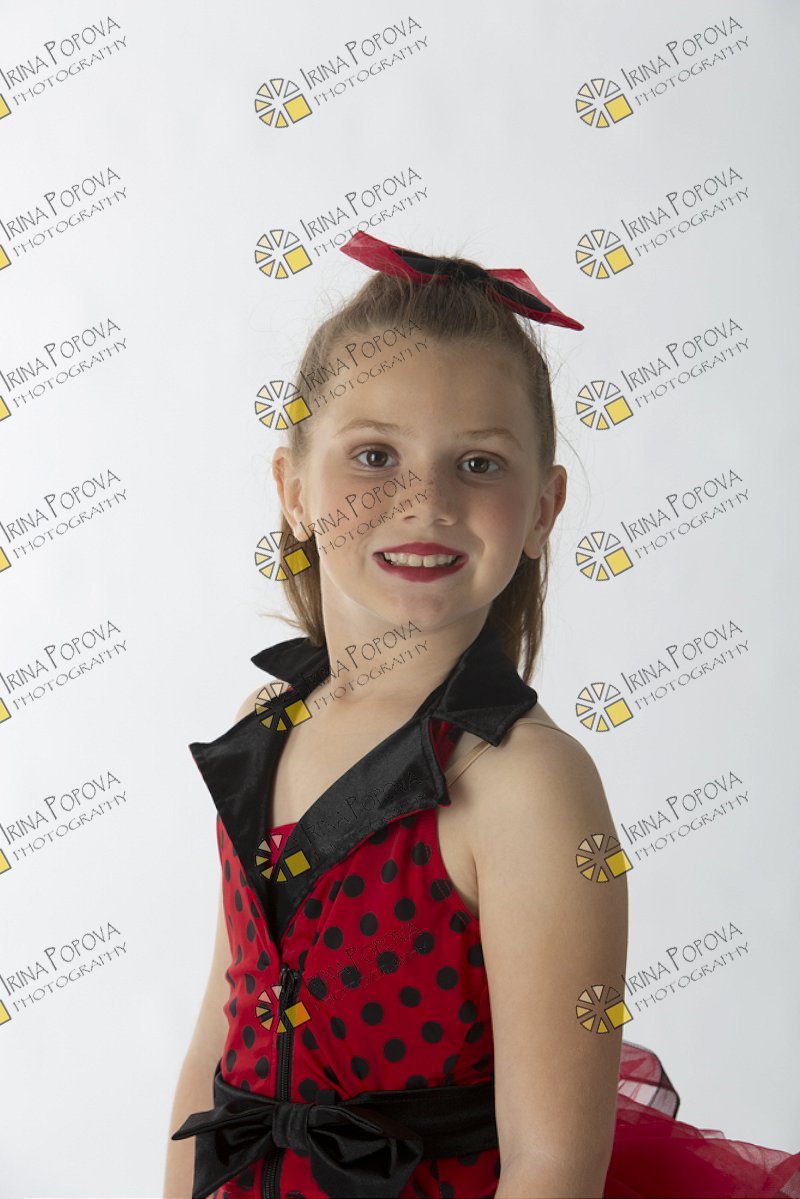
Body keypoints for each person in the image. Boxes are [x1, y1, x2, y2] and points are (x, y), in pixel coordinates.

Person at [163, 232, 800, 1199]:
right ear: (293, 490)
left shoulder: (526, 784)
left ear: (543, 508)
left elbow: (553, 1161)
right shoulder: (267, 723)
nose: (425, 500)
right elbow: (221, 1037)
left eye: (477, 462)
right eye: (374, 454)